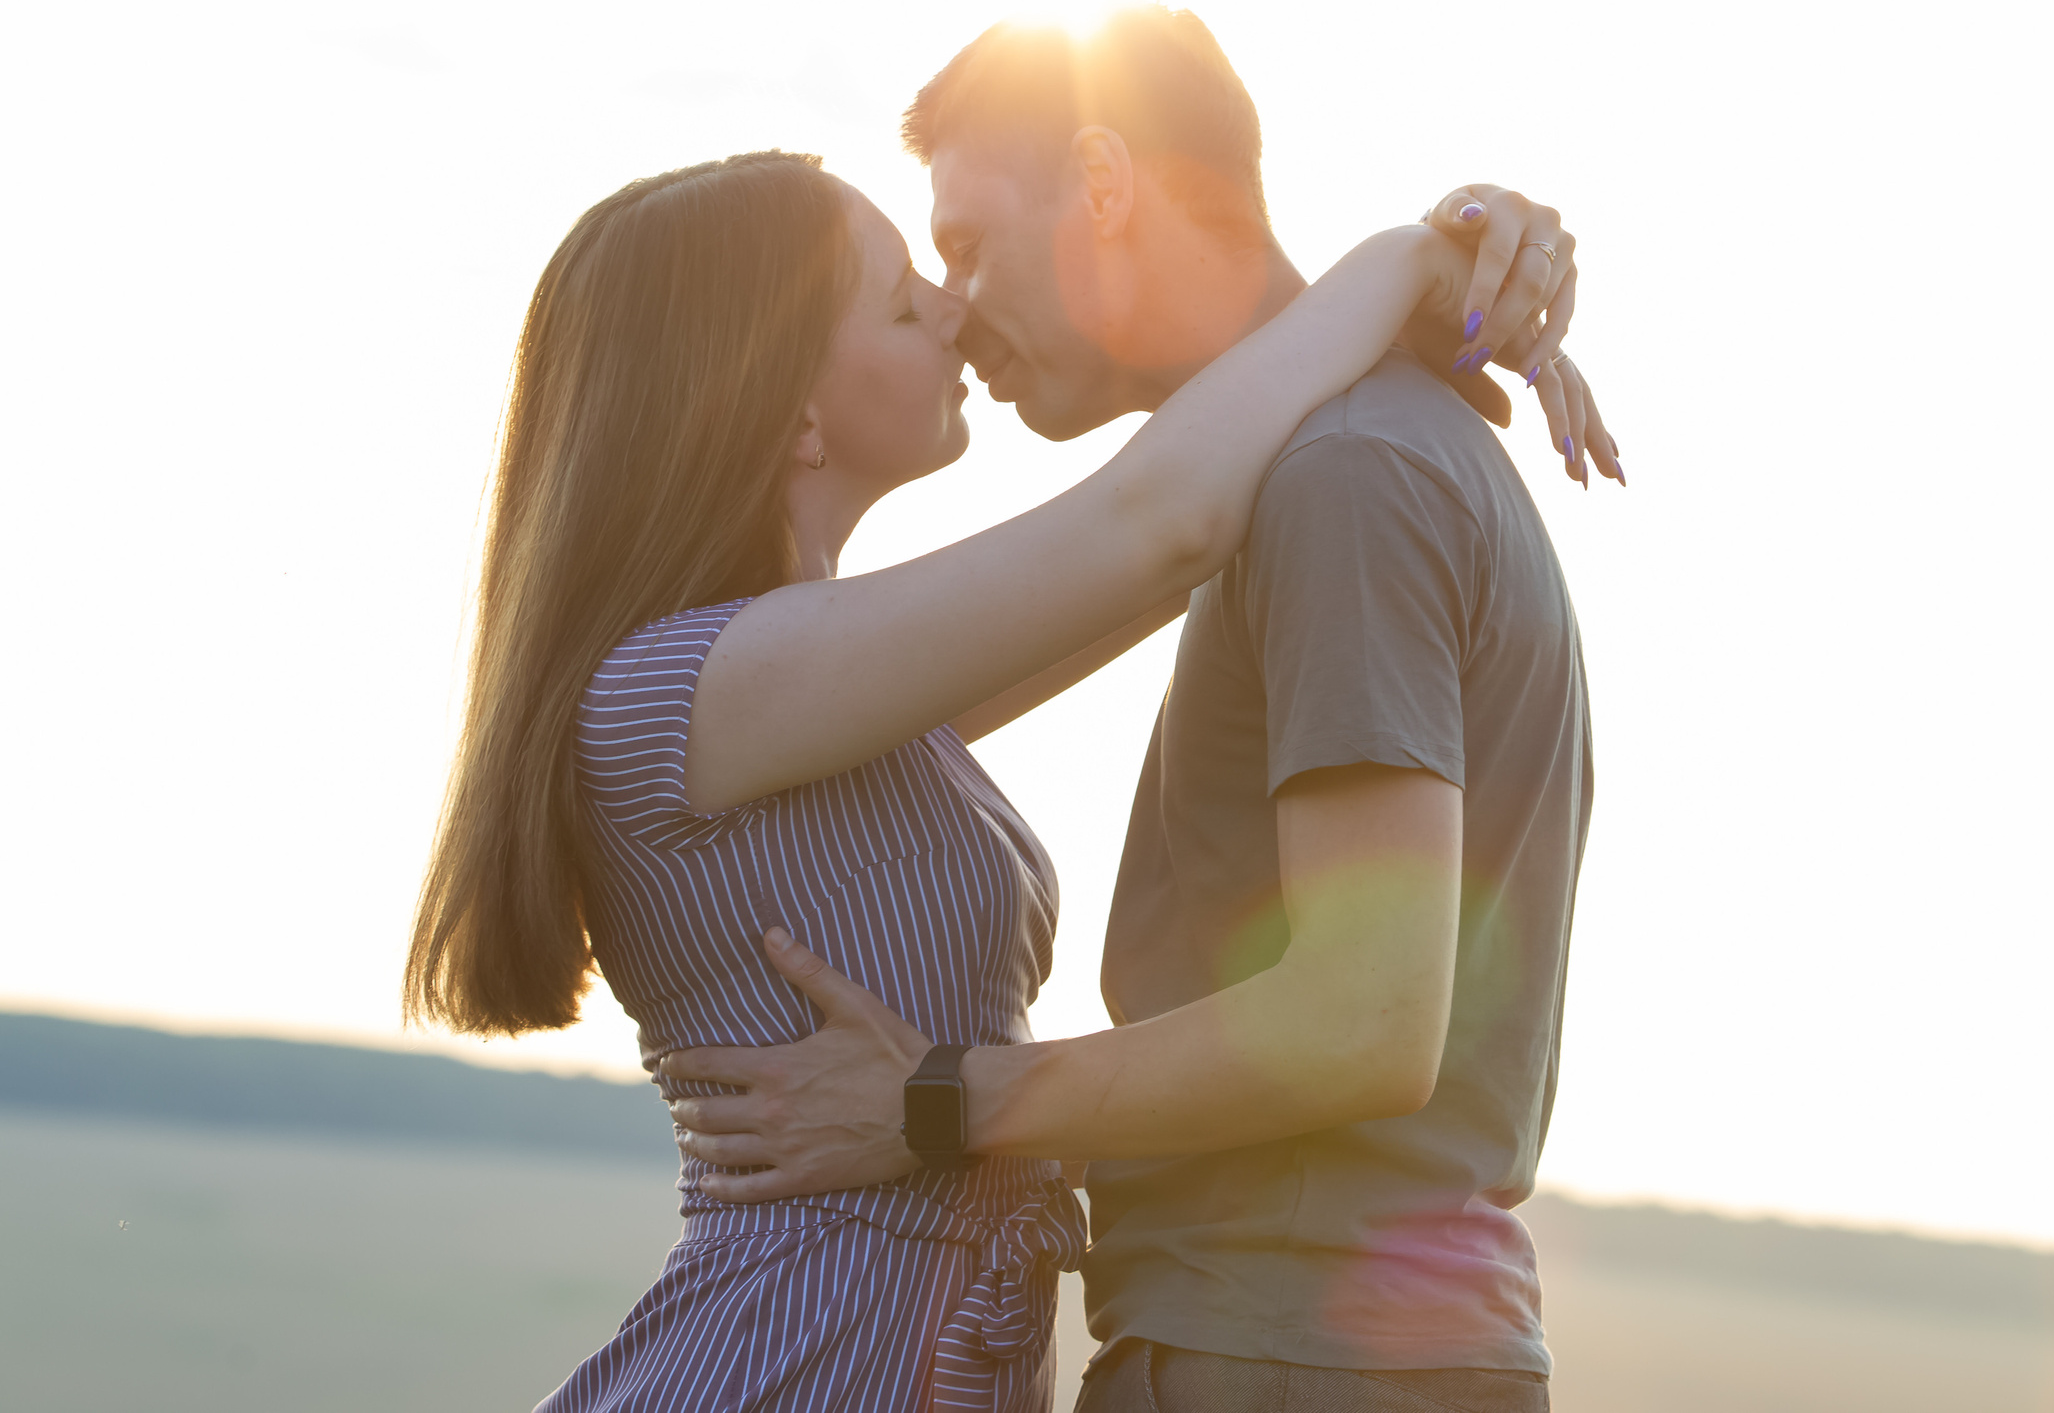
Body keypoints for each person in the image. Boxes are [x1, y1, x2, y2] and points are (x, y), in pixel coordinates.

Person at [404, 120, 1593, 1409]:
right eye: (907, 301)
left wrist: (1442, 300)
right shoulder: (691, 693)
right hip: (791, 1368)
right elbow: (1160, 522)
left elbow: (1194, 537)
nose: (956, 319)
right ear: (789, 401)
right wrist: (1411, 264)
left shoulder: (835, 695)